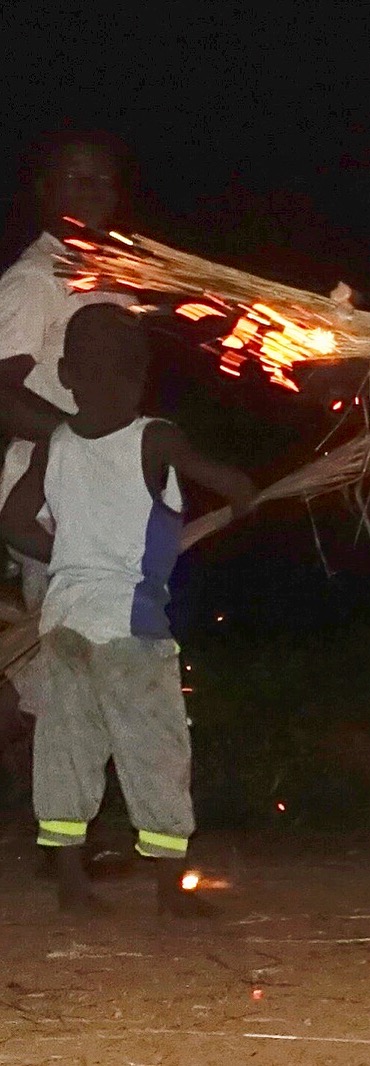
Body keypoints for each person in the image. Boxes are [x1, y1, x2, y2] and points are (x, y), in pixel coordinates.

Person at [0, 304, 255, 916]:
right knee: (154, 746)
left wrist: (69, 553)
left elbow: (11, 521)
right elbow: (233, 486)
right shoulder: (156, 436)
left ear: (65, 374)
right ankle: (170, 888)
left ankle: (70, 882)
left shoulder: (53, 443)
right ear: (141, 377)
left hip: (64, 619)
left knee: (66, 746)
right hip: (130, 623)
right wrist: (246, 501)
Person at [0, 135, 134, 773]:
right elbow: (5, 395)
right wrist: (83, 450)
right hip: (49, 497)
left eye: (103, 179)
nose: (93, 190)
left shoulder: (114, 278)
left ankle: (72, 820)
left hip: (107, 493)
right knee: (66, 662)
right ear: (42, 193)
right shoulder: (32, 280)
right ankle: (65, 834)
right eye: (75, 177)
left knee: (101, 656)